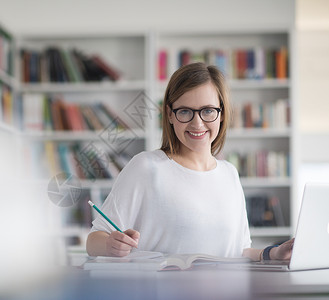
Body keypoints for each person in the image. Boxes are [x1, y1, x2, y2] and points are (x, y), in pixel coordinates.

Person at [86, 62, 294, 261]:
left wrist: (272, 254)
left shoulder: (229, 173)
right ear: (169, 115)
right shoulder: (146, 167)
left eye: (208, 111)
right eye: (184, 111)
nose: (197, 123)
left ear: (221, 114)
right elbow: (93, 241)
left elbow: (238, 251)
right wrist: (110, 245)